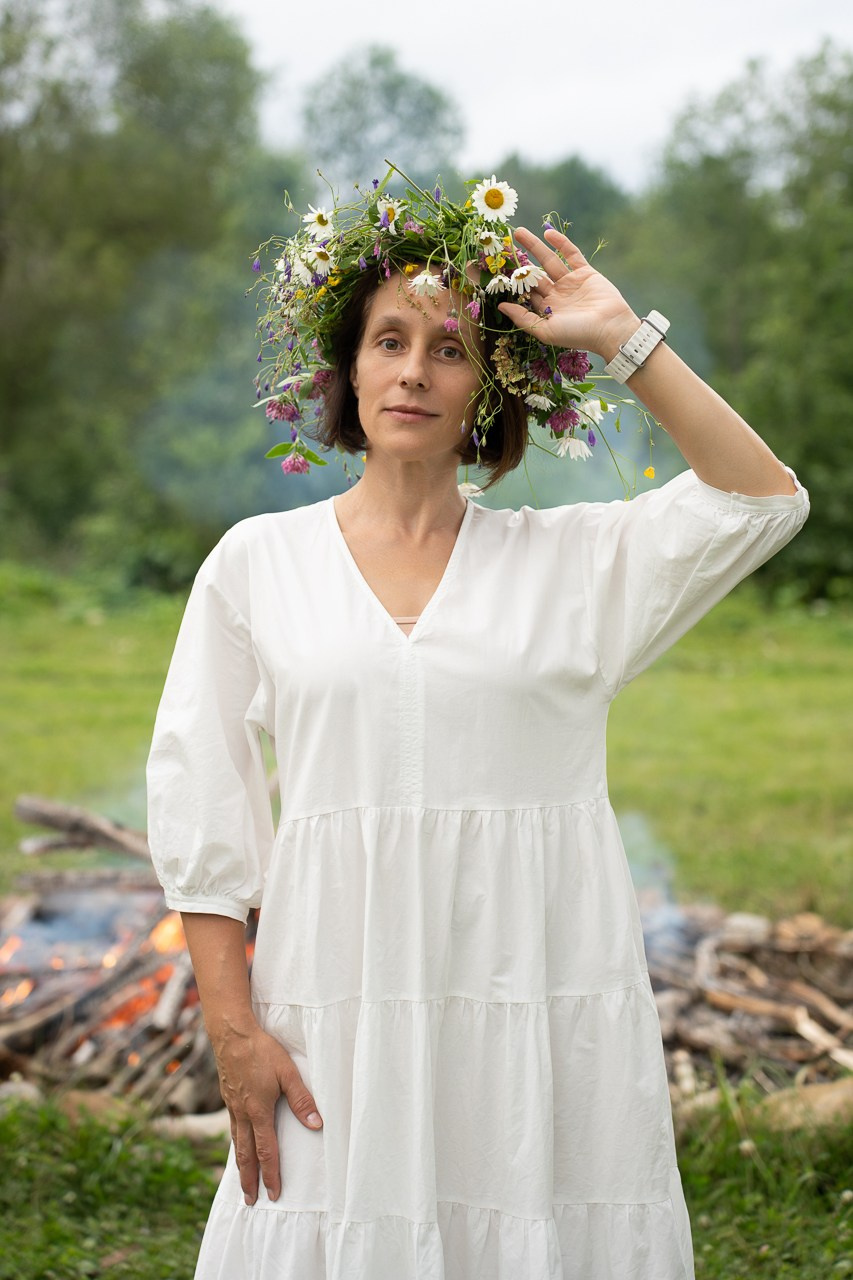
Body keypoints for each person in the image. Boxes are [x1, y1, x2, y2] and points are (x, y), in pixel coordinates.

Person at [146, 170, 809, 1280]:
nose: (413, 369)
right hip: (338, 998)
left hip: (536, 990)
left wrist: (621, 339)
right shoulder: (256, 563)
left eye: (449, 348)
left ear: (489, 388)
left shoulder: (572, 564)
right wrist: (235, 1032)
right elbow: (203, 804)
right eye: (389, 340)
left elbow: (763, 501)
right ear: (349, 369)